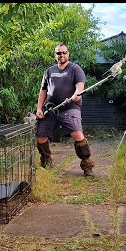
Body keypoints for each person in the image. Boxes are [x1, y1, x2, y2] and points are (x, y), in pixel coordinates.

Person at [35, 43, 95, 177]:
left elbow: (80, 85)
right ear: (55, 55)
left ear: (68, 53)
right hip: (50, 108)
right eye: (58, 53)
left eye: (64, 52)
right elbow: (43, 91)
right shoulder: (49, 71)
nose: (61, 55)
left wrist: (76, 94)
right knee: (41, 137)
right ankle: (46, 162)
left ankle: (87, 166)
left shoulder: (75, 69)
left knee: (77, 135)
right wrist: (39, 108)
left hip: (69, 108)